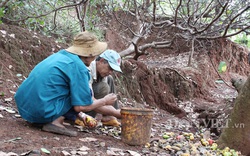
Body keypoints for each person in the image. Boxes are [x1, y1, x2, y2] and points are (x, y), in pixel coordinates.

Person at [14, 31, 122, 137]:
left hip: (23, 107)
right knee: (79, 95)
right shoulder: (79, 68)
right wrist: (104, 101)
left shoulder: (59, 55)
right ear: (90, 54)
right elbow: (81, 106)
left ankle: (52, 117)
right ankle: (55, 121)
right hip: (40, 111)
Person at [75, 49, 122, 127]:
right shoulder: (88, 69)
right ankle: (82, 116)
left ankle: (108, 117)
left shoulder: (103, 73)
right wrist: (115, 112)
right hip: (80, 104)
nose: (111, 72)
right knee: (103, 87)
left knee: (109, 79)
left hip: (89, 100)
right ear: (101, 61)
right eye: (110, 68)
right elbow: (91, 100)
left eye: (112, 70)